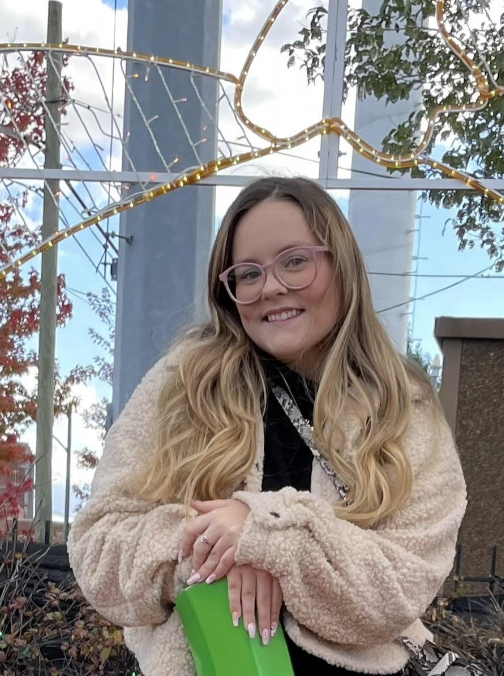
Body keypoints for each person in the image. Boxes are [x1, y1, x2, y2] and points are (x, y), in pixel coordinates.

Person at [67, 176, 467, 676]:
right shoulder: (184, 383)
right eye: (248, 272)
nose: (271, 286)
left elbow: (405, 579)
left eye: (295, 261)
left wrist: (268, 534)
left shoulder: (400, 405)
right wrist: (221, 547)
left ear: (341, 263)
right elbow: (98, 547)